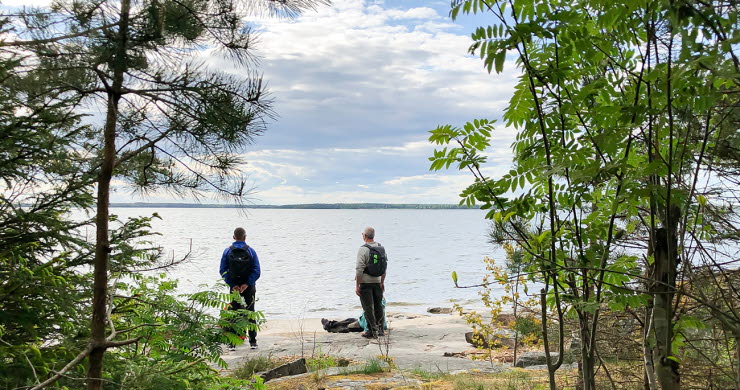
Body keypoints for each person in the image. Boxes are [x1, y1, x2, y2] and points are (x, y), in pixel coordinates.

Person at [219, 227, 261, 350]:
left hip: (234, 287)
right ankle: (253, 342)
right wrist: (247, 284)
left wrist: (233, 285)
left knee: (233, 313)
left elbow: (222, 270)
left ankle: (232, 343)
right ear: (245, 237)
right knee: (251, 312)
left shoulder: (227, 251)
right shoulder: (251, 251)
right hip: (249, 286)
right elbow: (257, 271)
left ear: (234, 237)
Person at [355, 226, 387, 339]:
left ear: (364, 236)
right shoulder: (380, 248)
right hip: (378, 281)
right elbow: (384, 267)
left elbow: (359, 269)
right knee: (379, 306)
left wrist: (357, 285)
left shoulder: (363, 249)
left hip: (366, 283)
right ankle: (381, 330)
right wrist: (382, 282)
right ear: (373, 235)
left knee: (368, 308)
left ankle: (372, 332)